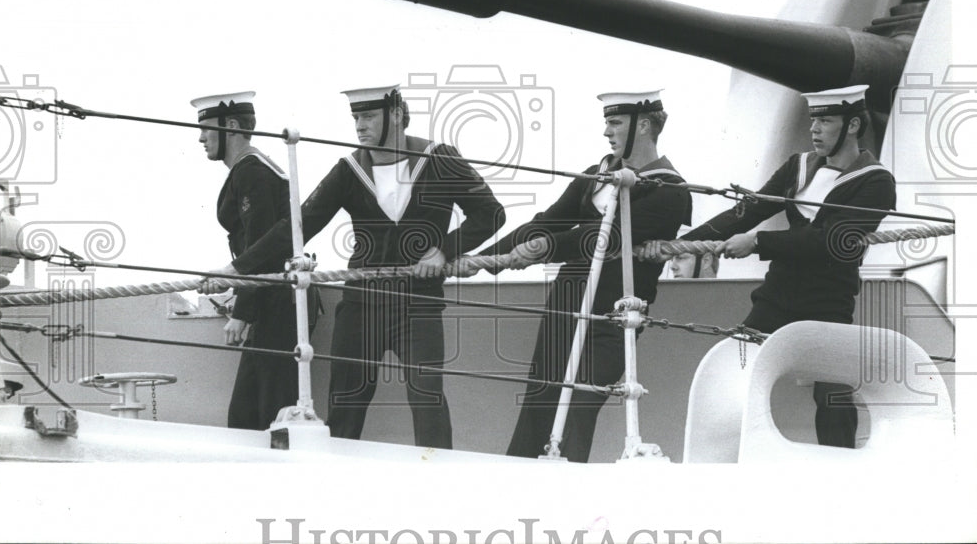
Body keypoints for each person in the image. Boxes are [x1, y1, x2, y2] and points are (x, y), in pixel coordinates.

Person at [219, 84, 504, 449]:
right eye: (356, 117)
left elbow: (491, 214)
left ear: (397, 115)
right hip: (361, 303)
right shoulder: (350, 169)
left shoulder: (439, 158)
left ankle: (439, 481)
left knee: (427, 398)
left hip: (418, 303)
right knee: (346, 403)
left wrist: (445, 250)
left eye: (368, 116)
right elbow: (299, 224)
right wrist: (237, 268)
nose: (359, 126)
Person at [644, 84, 895, 448]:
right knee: (736, 371)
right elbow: (747, 212)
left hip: (827, 302)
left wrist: (759, 243)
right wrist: (680, 245)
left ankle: (839, 472)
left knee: (832, 397)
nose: (814, 129)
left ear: (853, 125)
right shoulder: (799, 167)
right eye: (813, 120)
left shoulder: (876, 182)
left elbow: (831, 240)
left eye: (825, 121)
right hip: (778, 296)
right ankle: (726, 457)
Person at [479, 90, 692, 462]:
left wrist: (542, 249)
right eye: (607, 122)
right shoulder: (596, 176)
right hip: (567, 302)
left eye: (615, 122)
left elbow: (603, 238)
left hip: (613, 317)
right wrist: (484, 259)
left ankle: (571, 495)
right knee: (540, 401)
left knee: (578, 407)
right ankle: (515, 487)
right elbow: (548, 221)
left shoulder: (670, 189)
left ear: (642, 125)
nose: (606, 131)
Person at [193, 91, 319, 430]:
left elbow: (262, 244)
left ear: (231, 126)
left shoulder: (252, 171)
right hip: (272, 300)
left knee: (268, 417)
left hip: (277, 304)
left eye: (206, 128)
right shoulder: (252, 168)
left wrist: (242, 313)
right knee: (247, 418)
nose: (201, 137)